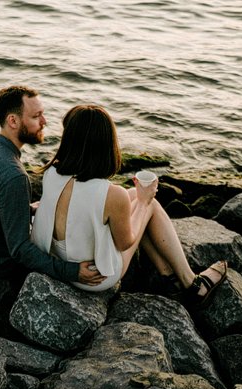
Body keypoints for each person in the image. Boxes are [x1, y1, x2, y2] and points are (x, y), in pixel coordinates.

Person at [30, 104, 227, 306]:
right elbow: (125, 243)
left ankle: (169, 277)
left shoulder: (52, 173)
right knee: (149, 205)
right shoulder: (112, 194)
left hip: (62, 261)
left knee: (133, 193)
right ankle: (192, 284)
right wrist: (143, 202)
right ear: (106, 144)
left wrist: (137, 198)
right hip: (95, 277)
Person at [0, 85, 105, 286]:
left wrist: (25, 209)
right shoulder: (14, 176)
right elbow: (20, 250)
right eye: (36, 117)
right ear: (13, 121)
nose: (44, 122)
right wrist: (72, 271)